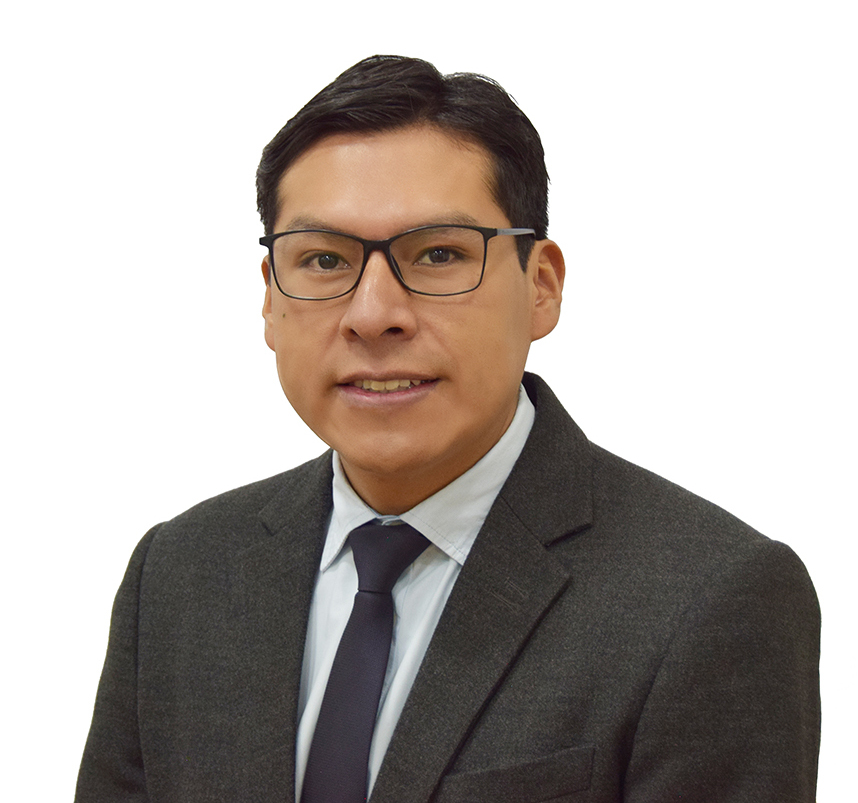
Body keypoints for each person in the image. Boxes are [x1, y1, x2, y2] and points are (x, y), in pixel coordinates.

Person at [75, 55, 820, 803]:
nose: (374, 315)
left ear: (541, 286)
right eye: (325, 259)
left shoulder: (709, 600)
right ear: (270, 301)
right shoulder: (180, 573)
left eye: (438, 254)